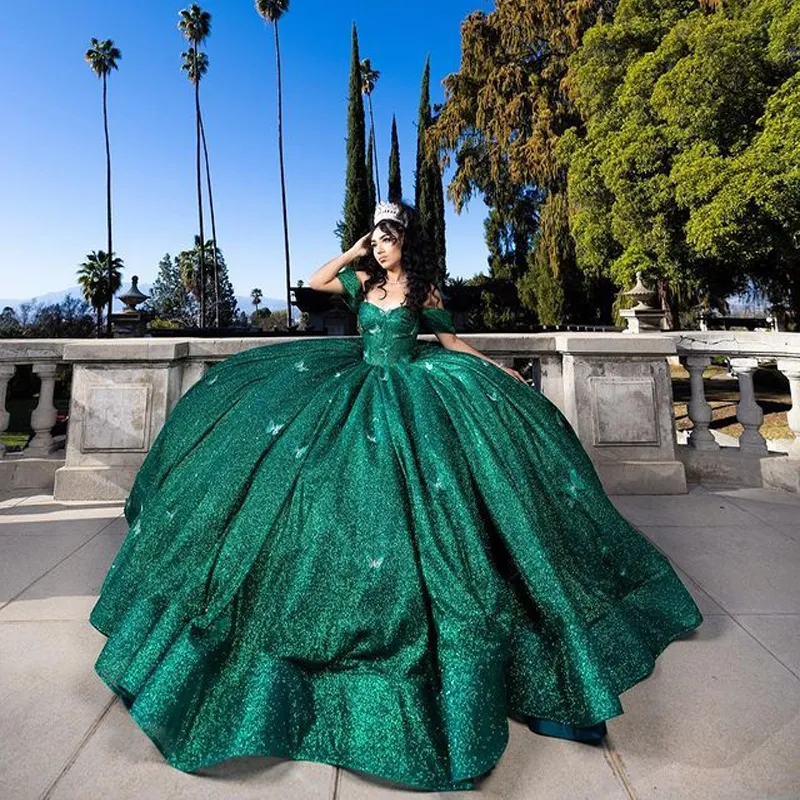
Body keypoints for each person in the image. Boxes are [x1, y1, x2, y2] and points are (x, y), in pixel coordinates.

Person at [89, 201, 702, 792]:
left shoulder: (423, 293)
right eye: (374, 236)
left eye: (387, 235)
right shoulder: (360, 281)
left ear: (407, 240)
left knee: (438, 513)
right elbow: (312, 280)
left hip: (413, 392)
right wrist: (354, 249)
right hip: (350, 390)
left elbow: (453, 346)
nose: (379, 245)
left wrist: (499, 371)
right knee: (308, 493)